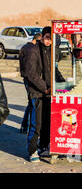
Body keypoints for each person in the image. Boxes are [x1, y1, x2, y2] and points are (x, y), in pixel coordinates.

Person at [23, 27, 65, 162]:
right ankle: (32, 150)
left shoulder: (50, 51)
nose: (49, 41)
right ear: (42, 37)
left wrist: (64, 83)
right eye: (47, 37)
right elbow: (31, 73)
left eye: (51, 38)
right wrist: (44, 87)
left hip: (48, 93)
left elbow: (54, 70)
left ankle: (43, 146)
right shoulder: (33, 50)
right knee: (36, 123)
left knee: (47, 122)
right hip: (37, 93)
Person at [19, 33, 41, 133]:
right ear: (37, 41)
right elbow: (30, 70)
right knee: (32, 102)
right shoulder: (31, 50)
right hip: (30, 79)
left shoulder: (25, 47)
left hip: (26, 78)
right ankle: (27, 126)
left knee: (30, 102)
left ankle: (24, 125)